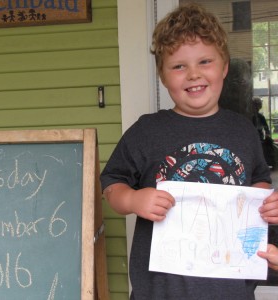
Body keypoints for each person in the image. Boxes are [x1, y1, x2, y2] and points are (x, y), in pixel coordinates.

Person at [100, 3, 278, 300]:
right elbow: (111, 183)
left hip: (230, 286)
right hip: (161, 290)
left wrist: (266, 203)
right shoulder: (147, 131)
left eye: (205, 61)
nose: (193, 74)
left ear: (224, 67)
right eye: (179, 66)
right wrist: (133, 198)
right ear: (163, 76)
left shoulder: (243, 131)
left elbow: (259, 182)